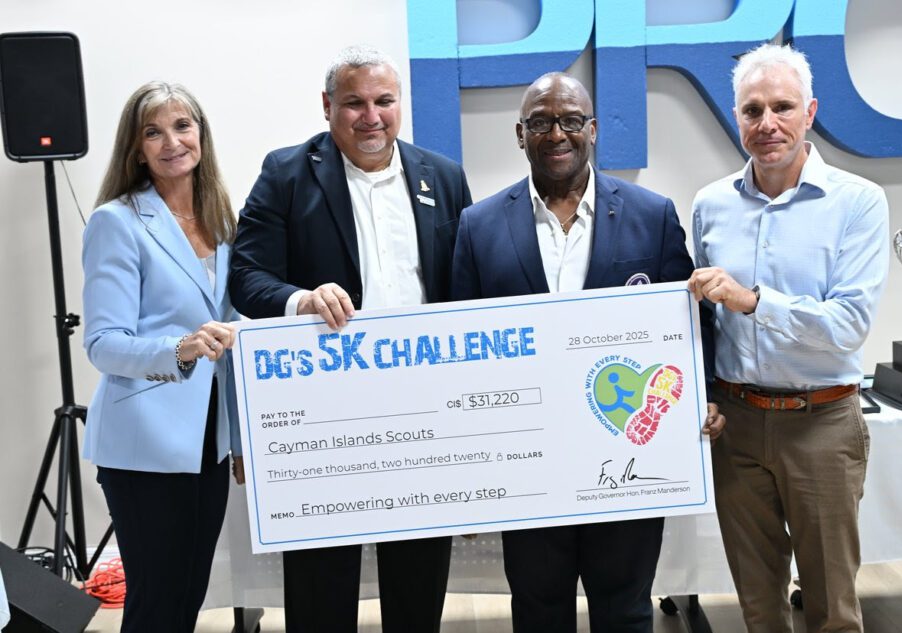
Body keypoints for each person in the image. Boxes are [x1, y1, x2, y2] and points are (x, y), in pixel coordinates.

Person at [452, 72, 724, 633]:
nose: (557, 133)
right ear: (520, 135)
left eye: (571, 120)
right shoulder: (478, 226)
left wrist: (707, 395)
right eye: (540, 122)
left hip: (626, 460)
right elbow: (461, 350)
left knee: (625, 611)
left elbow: (691, 321)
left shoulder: (652, 215)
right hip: (528, 466)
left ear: (593, 129)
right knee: (538, 612)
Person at [228, 45, 472, 633]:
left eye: (384, 101)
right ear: (327, 106)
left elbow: (467, 285)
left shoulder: (443, 175)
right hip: (325, 417)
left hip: (423, 409)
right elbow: (246, 277)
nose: (371, 116)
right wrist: (301, 300)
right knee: (321, 581)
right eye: (354, 103)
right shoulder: (286, 174)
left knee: (417, 577)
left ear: (400, 104)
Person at [687, 43, 889, 633]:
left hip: (821, 424)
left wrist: (753, 301)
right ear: (736, 118)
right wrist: (700, 395)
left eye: (783, 107)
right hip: (736, 427)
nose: (767, 123)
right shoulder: (710, 204)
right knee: (757, 607)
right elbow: (702, 322)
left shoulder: (858, 202)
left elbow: (849, 325)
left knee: (832, 610)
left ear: (810, 112)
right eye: (753, 110)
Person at [82, 81, 244, 632]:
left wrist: (240, 439)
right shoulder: (116, 222)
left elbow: (233, 334)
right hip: (143, 446)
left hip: (208, 443)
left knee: (187, 597)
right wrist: (180, 348)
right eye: (153, 132)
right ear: (136, 149)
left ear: (201, 134)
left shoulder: (224, 221)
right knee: (156, 603)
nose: (172, 142)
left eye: (182, 126)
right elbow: (103, 344)